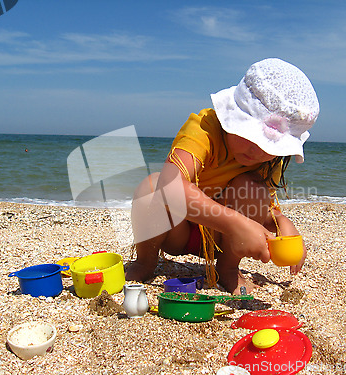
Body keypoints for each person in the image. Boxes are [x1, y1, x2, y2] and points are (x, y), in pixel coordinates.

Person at [126, 58, 319, 294]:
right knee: (153, 184)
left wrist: (281, 222)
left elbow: (260, 207)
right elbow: (169, 184)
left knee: (252, 188)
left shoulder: (268, 160)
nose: (257, 150)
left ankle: (228, 269)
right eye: (250, 136)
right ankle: (145, 262)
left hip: (223, 240)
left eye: (269, 145)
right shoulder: (205, 128)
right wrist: (236, 223)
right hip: (177, 232)